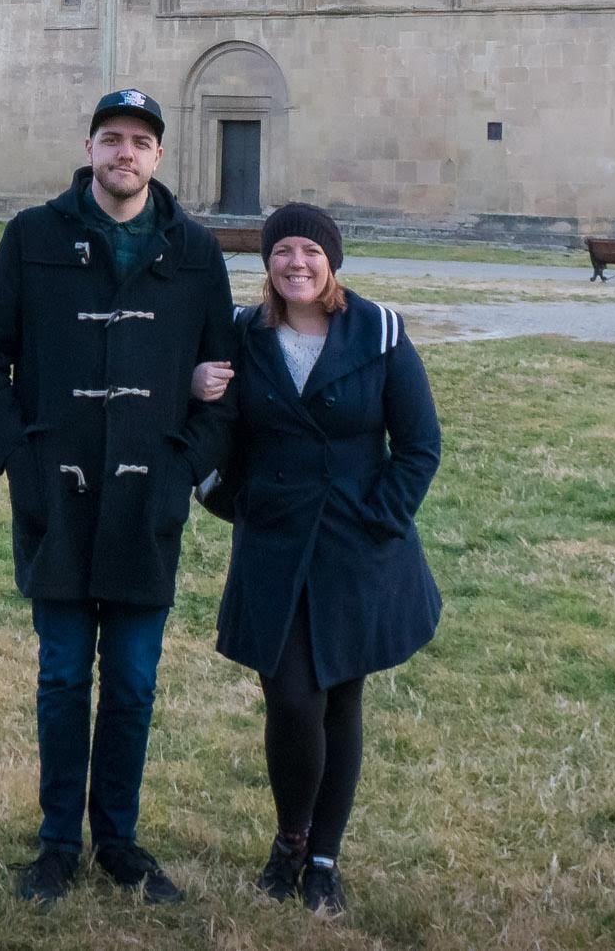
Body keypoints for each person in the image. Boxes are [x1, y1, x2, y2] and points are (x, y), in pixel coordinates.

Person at [0, 89, 239, 908]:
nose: (125, 153)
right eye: (111, 138)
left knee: (133, 682)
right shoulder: (33, 237)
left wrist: (185, 467)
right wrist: (22, 459)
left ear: (159, 156)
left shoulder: (194, 251)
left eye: (140, 142)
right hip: (59, 496)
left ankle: (118, 839)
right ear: (89, 149)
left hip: (149, 501)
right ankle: (57, 843)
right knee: (61, 677)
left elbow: (225, 384)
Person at [196, 202, 442, 919]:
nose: (295, 263)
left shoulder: (379, 332)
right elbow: (214, 428)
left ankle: (323, 860)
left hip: (354, 546)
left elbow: (419, 444)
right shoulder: (244, 334)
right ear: (267, 262)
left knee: (339, 696)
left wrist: (380, 517)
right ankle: (291, 838)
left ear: (332, 261)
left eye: (309, 251)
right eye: (282, 251)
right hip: (274, 542)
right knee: (291, 700)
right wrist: (227, 496)